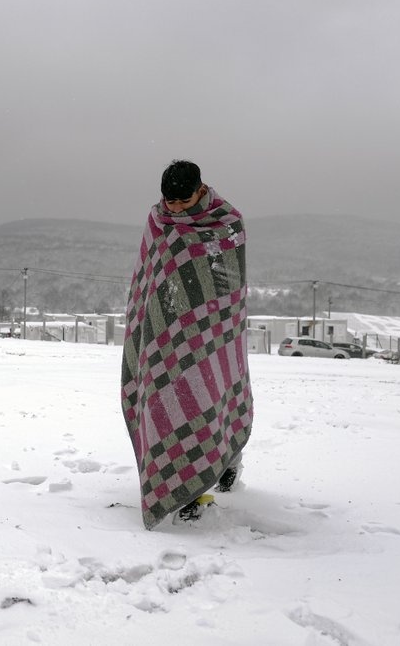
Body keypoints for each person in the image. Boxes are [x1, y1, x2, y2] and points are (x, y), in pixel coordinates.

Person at [120, 160, 253, 529]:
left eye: (183, 200)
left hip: (212, 332)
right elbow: (148, 278)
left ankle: (225, 463)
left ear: (200, 190)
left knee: (214, 396)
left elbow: (228, 283)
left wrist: (207, 318)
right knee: (168, 406)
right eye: (169, 201)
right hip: (163, 331)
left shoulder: (226, 222)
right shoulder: (158, 222)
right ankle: (190, 487)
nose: (175, 208)